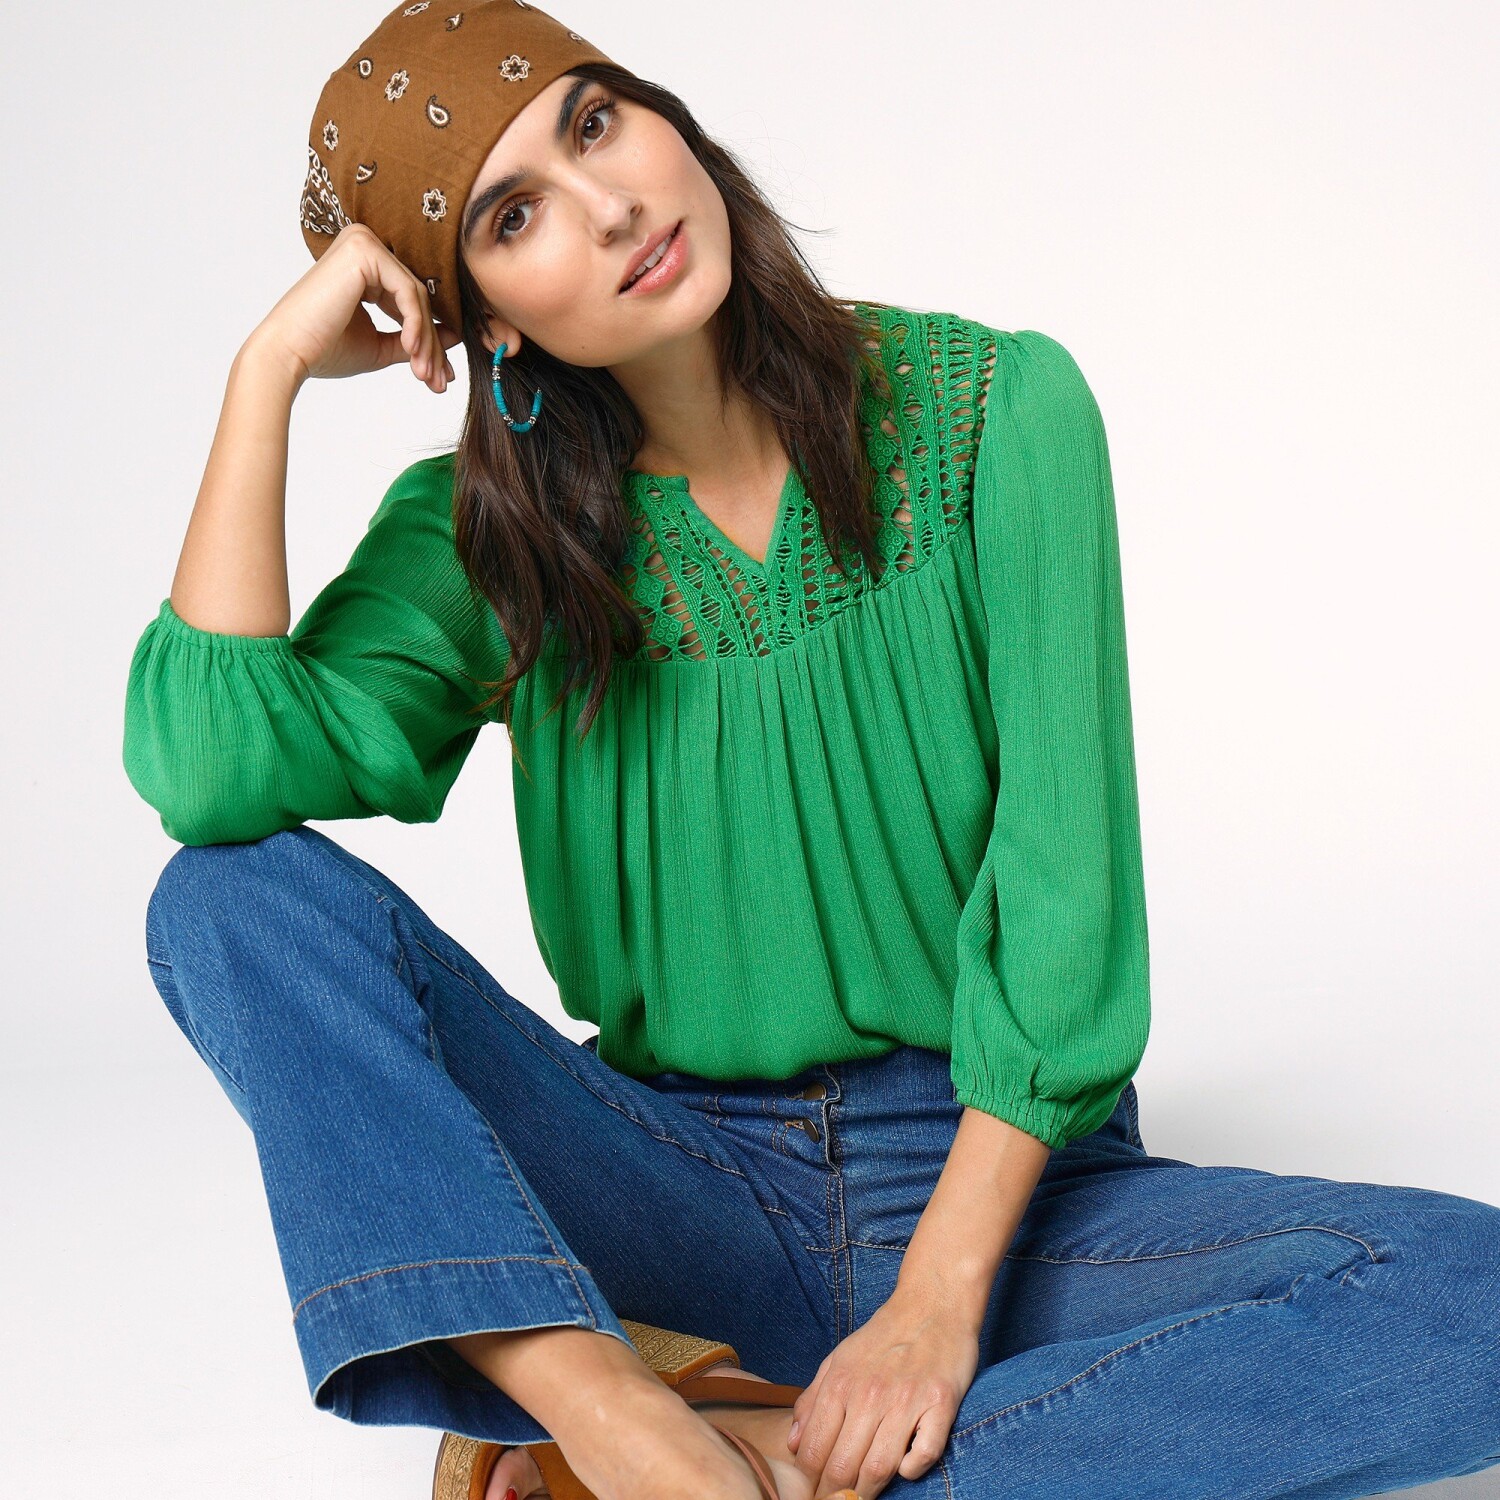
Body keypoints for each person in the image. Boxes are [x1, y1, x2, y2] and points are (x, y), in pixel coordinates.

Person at [122, 3, 1500, 1498]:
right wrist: (266, 371)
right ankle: (607, 1405)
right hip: (673, 1181)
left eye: (595, 123)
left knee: (1473, 1302)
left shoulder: (997, 415)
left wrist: (934, 1310)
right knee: (221, 902)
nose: (611, 206)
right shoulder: (488, 542)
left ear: (661, 115)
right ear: (483, 318)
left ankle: (755, 1455)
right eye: (514, 216)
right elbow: (211, 781)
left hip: (993, 1187)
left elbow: (1065, 908)